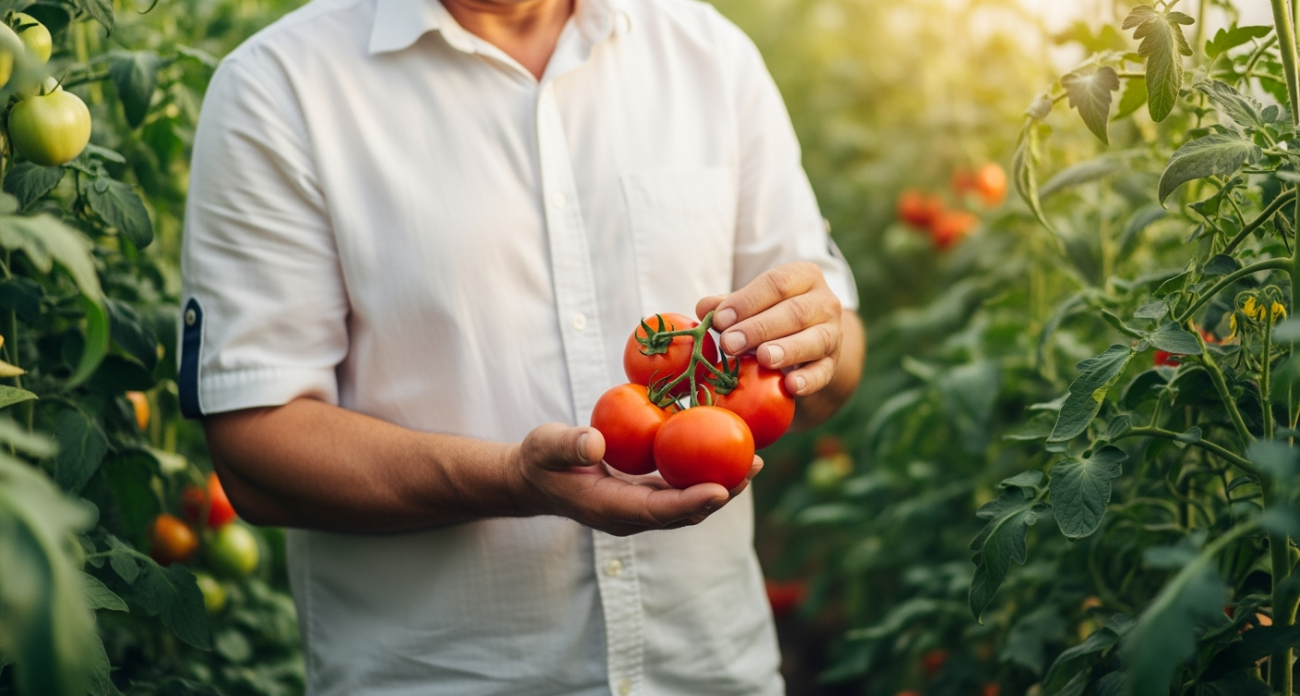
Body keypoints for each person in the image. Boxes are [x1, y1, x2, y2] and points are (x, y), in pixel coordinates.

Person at [179, 0, 865, 692]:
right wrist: (511, 480)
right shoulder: (279, 87)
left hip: (712, 672)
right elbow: (255, 448)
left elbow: (835, 354)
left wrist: (811, 347)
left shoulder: (710, 55)